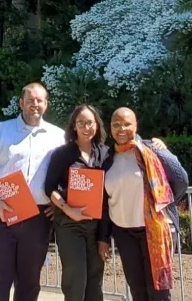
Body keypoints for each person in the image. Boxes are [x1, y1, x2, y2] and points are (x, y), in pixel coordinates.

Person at [0, 82, 65, 301]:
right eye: (30, 100)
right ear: (21, 103)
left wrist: (59, 201)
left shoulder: (59, 136)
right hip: (2, 215)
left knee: (29, 282)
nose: (35, 104)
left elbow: (66, 174)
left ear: (46, 105)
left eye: (39, 100)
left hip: (38, 218)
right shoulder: (1, 131)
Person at [98, 108, 188, 301]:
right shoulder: (108, 159)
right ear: (110, 128)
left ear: (136, 125)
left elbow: (181, 180)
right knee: (137, 291)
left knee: (158, 292)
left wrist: (163, 205)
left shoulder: (153, 150)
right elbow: (105, 202)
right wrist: (103, 237)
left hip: (153, 229)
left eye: (126, 124)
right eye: (116, 125)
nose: (121, 128)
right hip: (124, 233)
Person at [44, 105, 109, 301]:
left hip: (96, 226)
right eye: (81, 123)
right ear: (74, 126)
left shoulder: (106, 154)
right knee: (76, 278)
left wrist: (104, 237)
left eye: (90, 122)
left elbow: (107, 196)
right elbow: (49, 188)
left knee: (94, 280)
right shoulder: (63, 154)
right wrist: (67, 209)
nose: (86, 127)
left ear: (97, 125)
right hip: (69, 224)